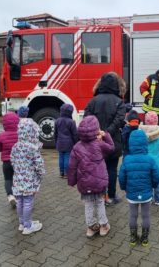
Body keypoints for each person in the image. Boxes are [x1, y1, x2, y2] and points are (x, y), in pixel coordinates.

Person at [68, 116, 114, 238]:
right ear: (96, 130)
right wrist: (105, 135)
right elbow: (111, 148)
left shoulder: (76, 147)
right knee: (100, 202)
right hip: (99, 182)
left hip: (84, 183)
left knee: (88, 204)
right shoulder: (99, 144)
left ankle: (91, 228)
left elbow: (72, 166)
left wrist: (72, 181)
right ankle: (104, 226)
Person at [84, 72, 126, 206]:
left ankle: (100, 196)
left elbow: (87, 119)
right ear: (115, 85)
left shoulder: (93, 101)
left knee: (97, 169)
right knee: (112, 169)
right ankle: (111, 196)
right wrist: (107, 133)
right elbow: (119, 120)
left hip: (95, 142)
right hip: (113, 142)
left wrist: (97, 133)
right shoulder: (119, 102)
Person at [119, 130, 159, 246]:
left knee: (133, 215)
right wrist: (153, 185)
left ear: (130, 144)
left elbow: (122, 177)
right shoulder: (150, 159)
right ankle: (145, 238)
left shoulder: (126, 160)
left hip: (131, 193)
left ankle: (133, 238)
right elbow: (157, 176)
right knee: (146, 215)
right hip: (146, 194)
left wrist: (124, 188)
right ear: (145, 144)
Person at [10, 118, 45, 235]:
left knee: (19, 200)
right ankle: (28, 226)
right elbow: (39, 164)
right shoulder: (33, 148)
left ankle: (22, 223)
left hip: (17, 179)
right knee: (28, 202)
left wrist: (18, 170)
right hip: (29, 180)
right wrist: (41, 174)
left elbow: (12, 161)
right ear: (32, 132)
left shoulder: (15, 146)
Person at [140, 111, 159, 205]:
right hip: (157, 163)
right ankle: (158, 199)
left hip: (144, 162)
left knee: (147, 181)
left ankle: (148, 197)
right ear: (156, 121)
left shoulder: (141, 132)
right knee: (158, 182)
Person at [0, 112, 19, 207]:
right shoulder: (20, 134)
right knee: (17, 179)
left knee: (7, 179)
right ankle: (19, 196)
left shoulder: (1, 135)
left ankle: (10, 195)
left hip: (6, 162)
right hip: (18, 162)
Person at [54, 104, 78, 178]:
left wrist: (56, 142)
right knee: (67, 157)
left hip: (59, 142)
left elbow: (55, 133)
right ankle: (66, 173)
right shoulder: (71, 122)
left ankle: (61, 172)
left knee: (61, 157)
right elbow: (75, 134)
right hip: (68, 143)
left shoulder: (57, 121)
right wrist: (76, 142)